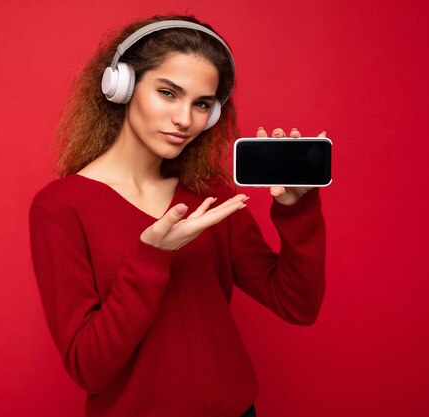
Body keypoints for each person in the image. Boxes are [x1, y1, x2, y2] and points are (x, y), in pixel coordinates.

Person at [29, 15, 326, 417]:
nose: (185, 119)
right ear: (122, 87)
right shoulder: (61, 208)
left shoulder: (212, 196)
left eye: (201, 104)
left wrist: (297, 210)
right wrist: (152, 256)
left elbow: (297, 304)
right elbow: (90, 368)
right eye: (168, 93)